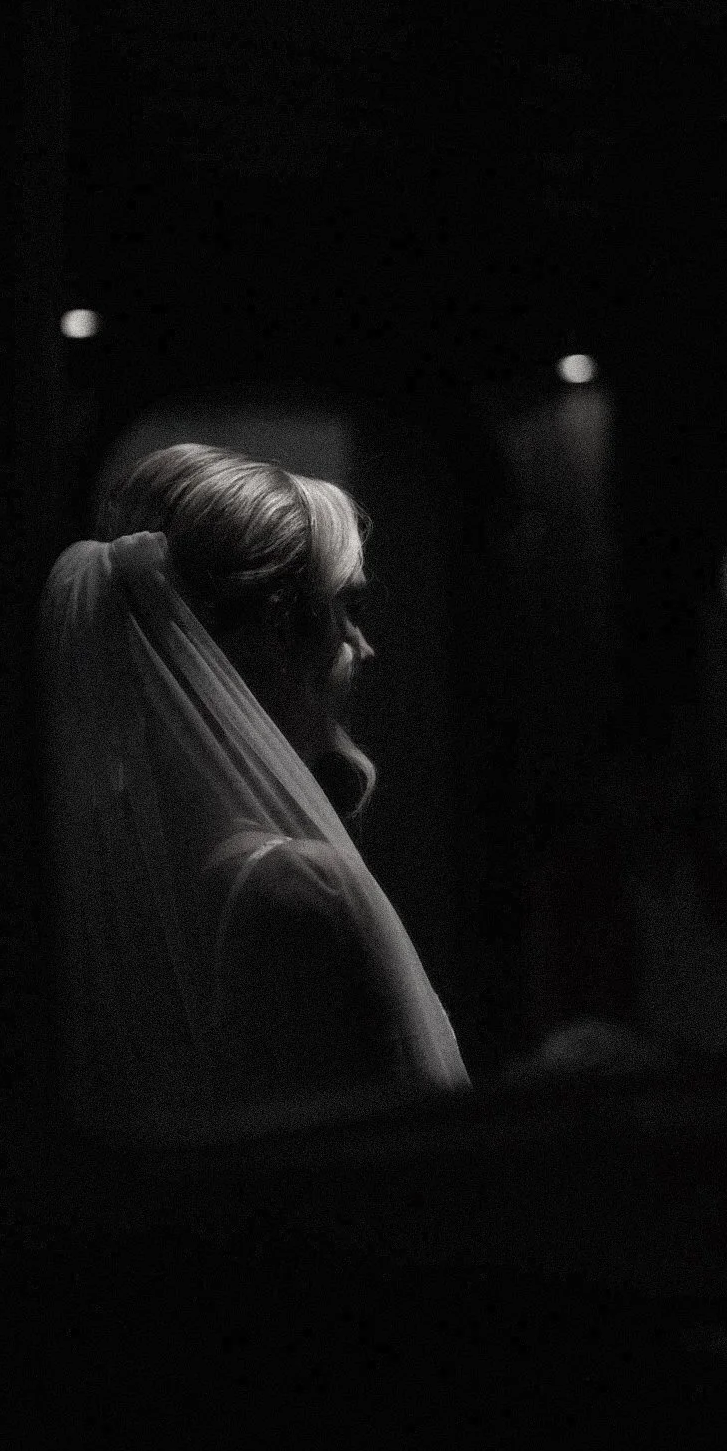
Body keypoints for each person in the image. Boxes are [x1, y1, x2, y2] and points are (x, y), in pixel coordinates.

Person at [37, 440, 471, 1153]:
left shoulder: (95, 871)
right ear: (277, 632)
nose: (365, 649)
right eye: (346, 610)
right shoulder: (299, 890)